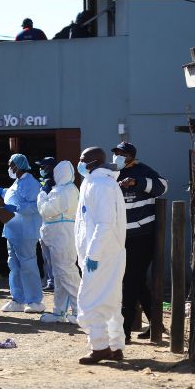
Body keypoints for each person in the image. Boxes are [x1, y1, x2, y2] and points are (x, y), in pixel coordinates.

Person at [74, 147, 127, 364]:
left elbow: (105, 223)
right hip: (107, 251)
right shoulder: (97, 182)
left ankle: (100, 347)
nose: (79, 163)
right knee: (111, 300)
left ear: (93, 162)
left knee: (90, 301)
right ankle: (115, 346)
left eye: (82, 159)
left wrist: (93, 254)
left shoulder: (100, 184)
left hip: (101, 254)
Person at [112, 141, 168, 342]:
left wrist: (138, 183)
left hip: (142, 236)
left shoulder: (143, 170)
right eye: (116, 153)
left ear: (131, 156)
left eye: (122, 154)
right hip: (120, 237)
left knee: (129, 282)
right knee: (136, 282)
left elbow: (162, 187)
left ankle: (124, 332)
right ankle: (156, 324)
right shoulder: (112, 174)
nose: (117, 156)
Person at [0, 154, 45, 313]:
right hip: (12, 230)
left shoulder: (32, 183)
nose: (9, 168)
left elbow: (36, 205)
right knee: (14, 266)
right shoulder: (18, 182)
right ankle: (18, 299)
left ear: (18, 166)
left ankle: (35, 301)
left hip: (26, 232)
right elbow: (15, 195)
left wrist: (18, 209)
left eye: (10, 164)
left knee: (28, 265)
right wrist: (1, 192)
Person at [37, 160, 81, 323]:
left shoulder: (63, 190)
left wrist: (42, 194)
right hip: (60, 234)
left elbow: (47, 210)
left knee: (67, 273)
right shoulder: (67, 189)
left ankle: (79, 311)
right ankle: (59, 311)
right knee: (60, 274)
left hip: (62, 235)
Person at [36, 157, 58, 292]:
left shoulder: (53, 182)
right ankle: (51, 281)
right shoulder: (46, 182)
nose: (41, 169)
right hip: (44, 223)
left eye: (44, 167)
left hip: (52, 224)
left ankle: (54, 281)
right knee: (47, 257)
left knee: (52, 256)